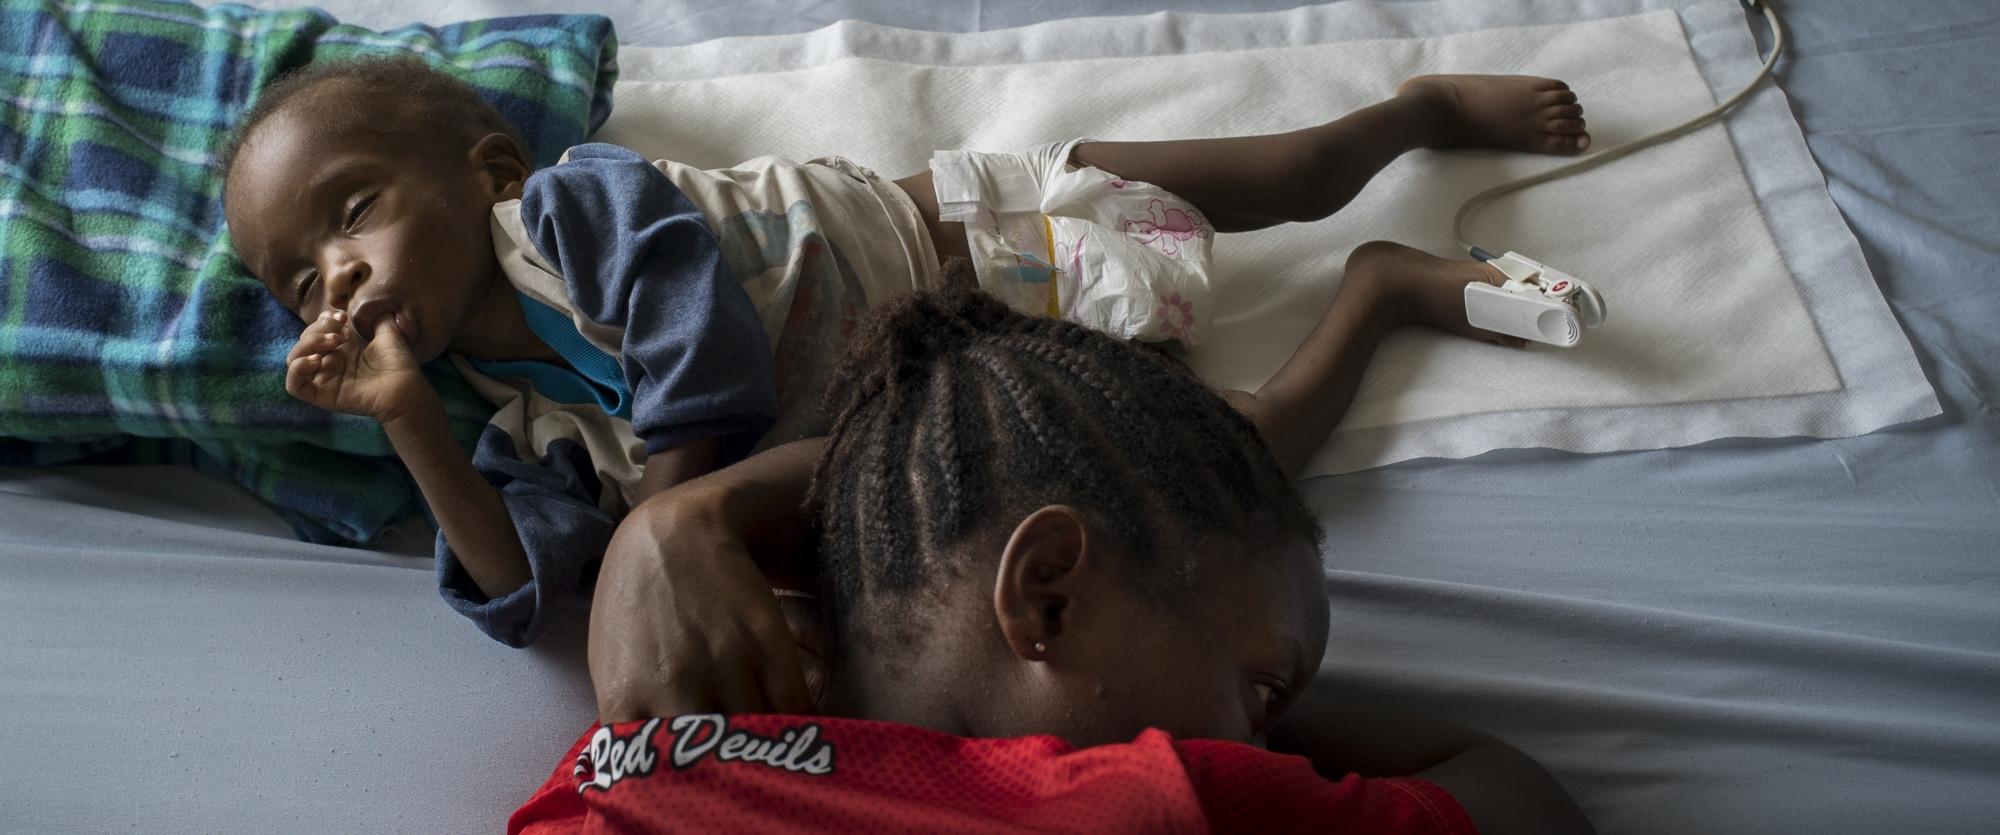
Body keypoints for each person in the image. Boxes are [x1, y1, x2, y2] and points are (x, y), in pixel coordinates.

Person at [221, 57, 1590, 646]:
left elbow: (699, 334)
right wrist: (406, 417)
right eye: (300, 282)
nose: (332, 276)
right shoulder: (516, 423)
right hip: (990, 359)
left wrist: (676, 511)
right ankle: (1386, 291)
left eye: (353, 214)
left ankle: (1403, 117)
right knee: (1228, 456)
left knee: (1285, 169)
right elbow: (531, 587)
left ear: (486, 169)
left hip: (962, 227)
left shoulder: (572, 206)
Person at [513, 289, 1593, 834]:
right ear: (1045, 597)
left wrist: (691, 515)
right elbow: (1517, 800)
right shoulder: (1143, 794)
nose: (1262, 735)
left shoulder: (616, 770)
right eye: (1261, 685)